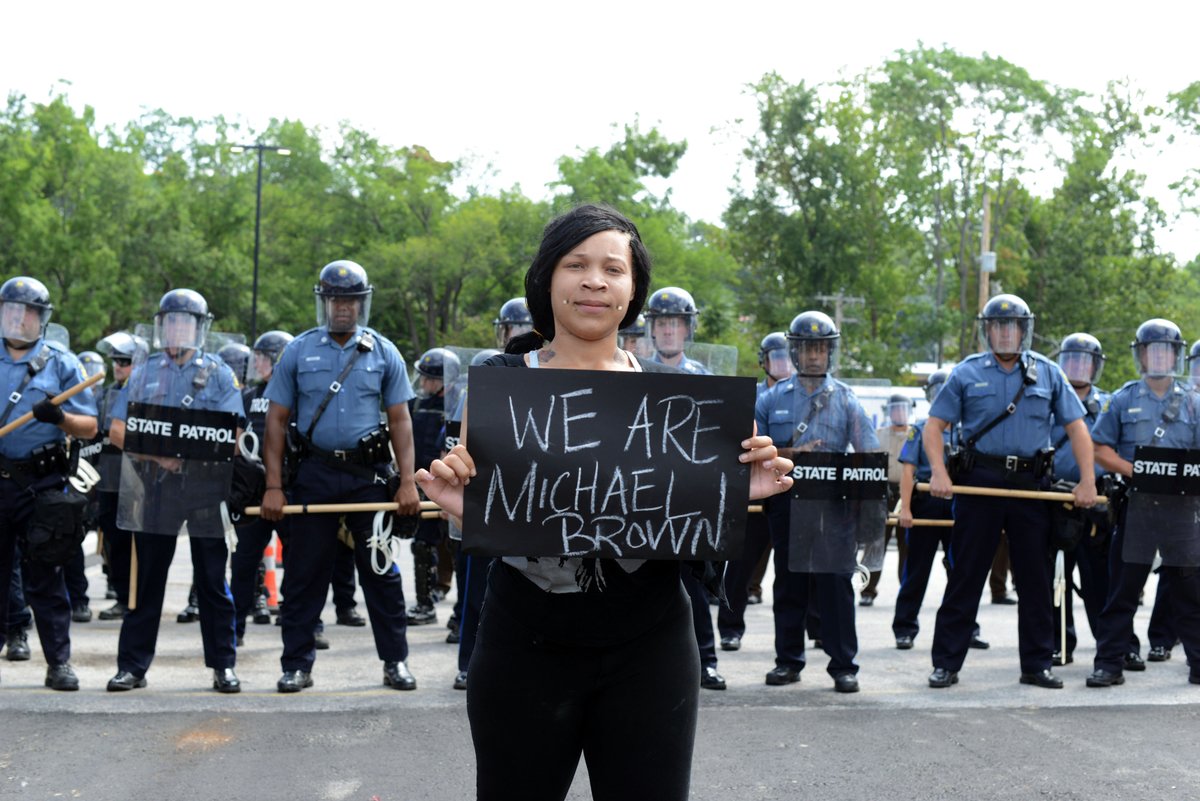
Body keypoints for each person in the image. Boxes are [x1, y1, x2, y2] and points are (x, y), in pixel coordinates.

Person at [416, 204, 793, 801]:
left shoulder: (679, 402)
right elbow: (501, 512)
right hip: (524, 641)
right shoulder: (501, 385)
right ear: (546, 279)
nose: (595, 280)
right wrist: (462, 507)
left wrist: (733, 490)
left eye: (613, 268)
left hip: (652, 644)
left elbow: (682, 518)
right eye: (576, 264)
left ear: (633, 287)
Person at [260, 259, 421, 693]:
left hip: (368, 477)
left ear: (362, 303)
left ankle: (395, 662)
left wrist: (407, 481)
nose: (343, 308)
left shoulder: (384, 351)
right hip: (312, 474)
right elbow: (275, 422)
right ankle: (296, 664)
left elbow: (401, 421)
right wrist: (274, 486)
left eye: (350, 300)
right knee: (303, 576)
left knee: (381, 572)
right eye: (335, 299)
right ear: (323, 302)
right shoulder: (298, 350)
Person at [924, 294, 1095, 690]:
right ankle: (946, 663)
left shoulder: (1048, 373)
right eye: (998, 326)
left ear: (1024, 330)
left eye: (1012, 326)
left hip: (1030, 488)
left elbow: (1077, 429)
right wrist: (938, 472)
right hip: (979, 483)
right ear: (988, 331)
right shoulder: (967, 373)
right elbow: (935, 427)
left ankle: (1036, 665)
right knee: (966, 575)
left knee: (1034, 579)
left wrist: (1087, 480)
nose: (1005, 333)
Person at [106, 289, 244, 693]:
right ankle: (132, 666)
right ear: (161, 326)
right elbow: (116, 430)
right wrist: (158, 455)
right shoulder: (144, 372)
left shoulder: (219, 372)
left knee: (213, 581)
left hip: (205, 487)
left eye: (187, 321)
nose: (178, 328)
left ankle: (224, 665)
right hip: (155, 487)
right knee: (145, 581)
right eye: (172, 321)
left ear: (200, 328)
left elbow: (234, 435)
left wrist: (192, 452)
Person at [757, 310, 879, 693]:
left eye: (821, 348)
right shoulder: (771, 399)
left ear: (831, 352)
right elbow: (754, 453)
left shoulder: (846, 399)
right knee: (788, 585)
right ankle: (788, 661)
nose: (814, 356)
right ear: (794, 352)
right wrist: (796, 451)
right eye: (807, 348)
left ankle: (844, 666)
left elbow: (868, 454)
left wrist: (869, 517)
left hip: (834, 509)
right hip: (787, 505)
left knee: (836, 587)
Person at [1086, 319, 1200, 688]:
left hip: (1183, 511)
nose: (1159, 357)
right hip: (1137, 508)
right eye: (1153, 350)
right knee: (1122, 590)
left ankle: (1198, 663)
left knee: (1189, 592)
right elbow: (1098, 447)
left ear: (1176, 356)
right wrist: (1133, 470)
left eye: (1166, 350)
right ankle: (1109, 663)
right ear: (1142, 355)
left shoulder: (1194, 404)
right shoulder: (1122, 399)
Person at [0, 276, 98, 690]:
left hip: (40, 486)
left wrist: (59, 418)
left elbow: (91, 427)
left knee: (45, 577)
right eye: (10, 311)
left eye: (27, 313)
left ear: (41, 319)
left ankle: (58, 662)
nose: (18, 319)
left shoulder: (62, 363)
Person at [892, 368, 988, 651]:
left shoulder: (965, 431)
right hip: (926, 504)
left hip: (960, 505)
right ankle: (905, 628)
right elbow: (908, 472)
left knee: (962, 571)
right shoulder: (921, 429)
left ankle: (967, 628)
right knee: (916, 571)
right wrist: (906, 509)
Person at [718, 331, 791, 651]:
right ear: (764, 361)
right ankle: (731, 627)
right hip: (757, 494)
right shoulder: (755, 397)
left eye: (788, 357)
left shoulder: (802, 395)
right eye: (776, 357)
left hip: (791, 489)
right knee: (741, 565)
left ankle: (813, 626)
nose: (783, 364)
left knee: (796, 568)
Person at [1047, 333, 1111, 666]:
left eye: (1085, 361)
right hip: (1054, 495)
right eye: (1071, 360)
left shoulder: (1110, 403)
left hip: (1096, 500)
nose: (1077, 367)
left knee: (1099, 576)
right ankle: (1060, 643)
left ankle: (1111, 643)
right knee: (1055, 579)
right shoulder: (1047, 399)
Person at [229, 329, 293, 644]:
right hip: (253, 491)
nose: (256, 362)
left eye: (263, 357)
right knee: (243, 562)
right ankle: (234, 629)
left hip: (288, 488)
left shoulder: (296, 395)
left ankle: (304, 626)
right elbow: (235, 437)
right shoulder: (248, 395)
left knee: (299, 561)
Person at [93, 332, 145, 622]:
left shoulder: (144, 391)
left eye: (124, 361)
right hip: (110, 475)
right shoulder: (108, 391)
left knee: (136, 539)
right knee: (113, 538)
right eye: (115, 361)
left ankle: (135, 597)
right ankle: (122, 593)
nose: (118, 366)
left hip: (136, 474)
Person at [406, 347, 460, 625]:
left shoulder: (457, 404)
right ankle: (424, 604)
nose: (423, 383)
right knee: (422, 545)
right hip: (422, 483)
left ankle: (460, 611)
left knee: (456, 546)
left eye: (429, 378)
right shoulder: (416, 403)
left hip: (448, 485)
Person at [861, 393, 914, 606]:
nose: (899, 412)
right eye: (895, 408)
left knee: (907, 544)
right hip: (882, 492)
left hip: (908, 493)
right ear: (889, 411)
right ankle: (867, 589)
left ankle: (907, 589)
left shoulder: (915, 434)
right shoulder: (878, 434)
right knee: (875, 542)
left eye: (903, 408)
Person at [643, 287, 708, 374]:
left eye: (675, 324)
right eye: (661, 324)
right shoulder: (639, 370)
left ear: (688, 330)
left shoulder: (701, 375)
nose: (667, 331)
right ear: (653, 330)